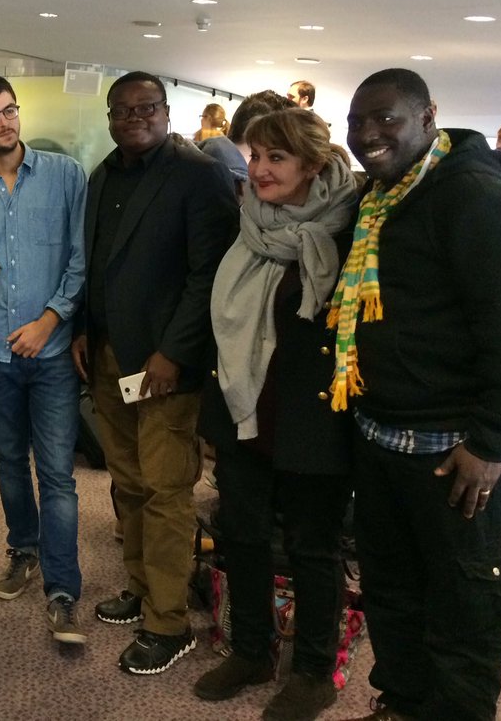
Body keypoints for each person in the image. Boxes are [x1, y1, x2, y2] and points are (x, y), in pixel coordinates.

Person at [334, 69, 501, 721]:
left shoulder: (474, 196)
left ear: (428, 115)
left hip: (457, 452)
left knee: (464, 609)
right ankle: (403, 703)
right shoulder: (381, 198)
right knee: (393, 593)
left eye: (385, 118)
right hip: (383, 437)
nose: (368, 134)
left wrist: (493, 442)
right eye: (357, 122)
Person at [194, 109, 358, 720]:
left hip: (313, 421)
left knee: (313, 549)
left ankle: (314, 672)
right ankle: (252, 651)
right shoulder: (248, 225)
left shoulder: (350, 233)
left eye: (276, 158)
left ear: (312, 165)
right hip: (246, 413)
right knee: (241, 537)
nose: (259, 170)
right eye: (255, 156)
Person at [72, 71, 237, 675]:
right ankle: (143, 589)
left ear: (166, 112)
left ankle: (169, 622)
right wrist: (84, 328)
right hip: (109, 357)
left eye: (147, 107)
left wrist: (176, 352)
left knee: (166, 490)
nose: (135, 117)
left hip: (165, 365)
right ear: (110, 117)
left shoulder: (199, 174)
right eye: (123, 109)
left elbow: (209, 273)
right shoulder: (102, 175)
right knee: (129, 480)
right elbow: (95, 264)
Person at [0, 74, 87, 644]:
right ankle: (23, 550)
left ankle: (63, 590)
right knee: (9, 461)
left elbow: (81, 259)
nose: (5, 123)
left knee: (57, 473)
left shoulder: (65, 175)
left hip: (52, 351)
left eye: (10, 110)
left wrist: (49, 320)